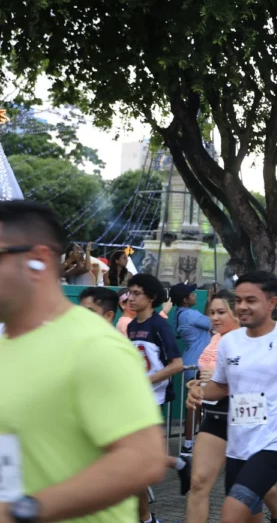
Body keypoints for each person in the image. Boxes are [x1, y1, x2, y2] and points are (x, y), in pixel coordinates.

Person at [0, 200, 167, 523]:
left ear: (37, 260)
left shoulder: (95, 346)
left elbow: (144, 459)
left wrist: (24, 510)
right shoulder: (7, 345)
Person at [186, 271, 277, 523]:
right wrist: (199, 392)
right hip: (238, 445)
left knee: (231, 514)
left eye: (250, 300)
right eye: (239, 300)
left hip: (275, 442)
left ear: (272, 303)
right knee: (251, 516)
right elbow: (219, 386)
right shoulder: (230, 343)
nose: (242, 307)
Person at [184, 290, 277, 523]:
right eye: (211, 313)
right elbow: (208, 375)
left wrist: (223, 379)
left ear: (237, 314)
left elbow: (263, 379)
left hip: (247, 416)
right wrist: (198, 385)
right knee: (199, 482)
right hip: (215, 415)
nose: (215, 318)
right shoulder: (215, 339)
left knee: (247, 487)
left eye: (221, 312)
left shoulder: (252, 340)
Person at [126, 273, 192, 522]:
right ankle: (179, 465)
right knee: (136, 460)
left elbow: (176, 364)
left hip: (154, 399)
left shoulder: (160, 325)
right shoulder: (132, 326)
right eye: (129, 293)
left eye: (136, 293)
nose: (130, 298)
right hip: (134, 398)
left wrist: (146, 381)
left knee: (137, 462)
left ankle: (145, 517)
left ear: (152, 297)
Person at [170, 282, 213, 456]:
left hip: (194, 363)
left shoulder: (182, 313)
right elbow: (213, 322)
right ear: (185, 300)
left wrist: (210, 301)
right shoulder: (189, 314)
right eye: (192, 294)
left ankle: (191, 443)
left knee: (197, 405)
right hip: (199, 365)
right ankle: (189, 445)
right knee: (196, 406)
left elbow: (206, 319)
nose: (195, 295)